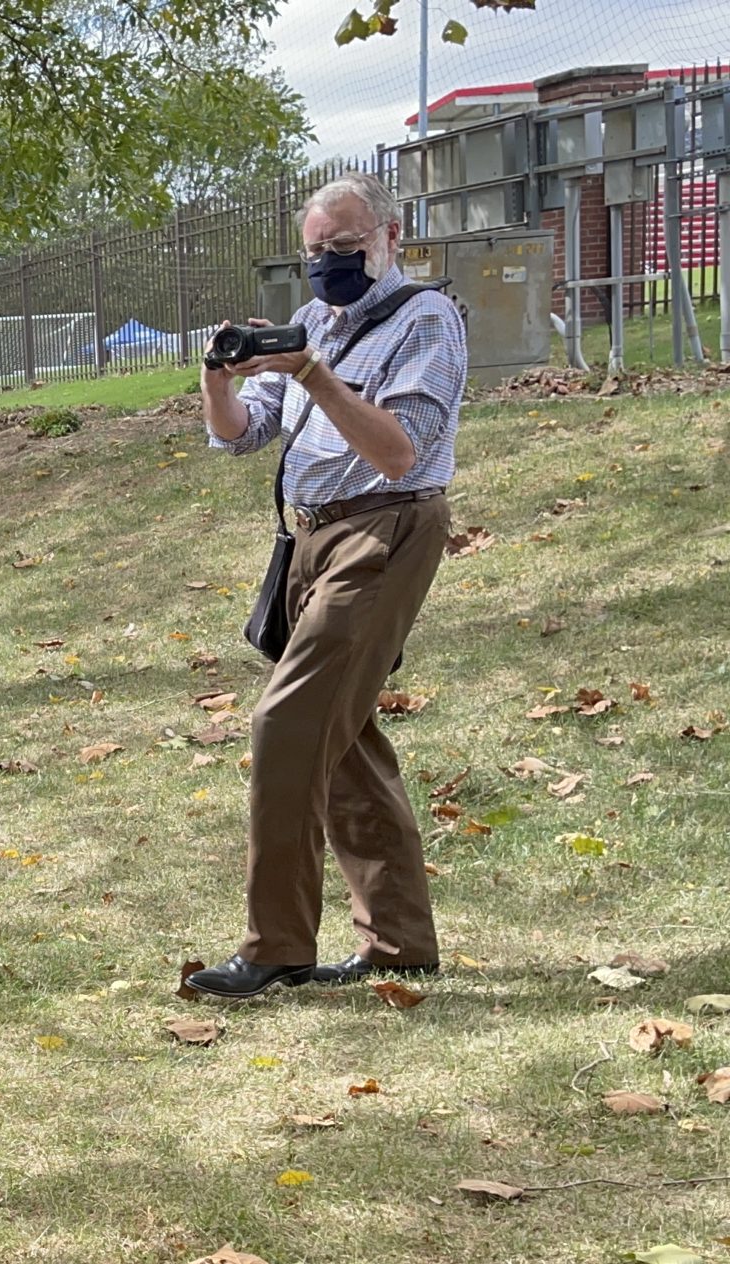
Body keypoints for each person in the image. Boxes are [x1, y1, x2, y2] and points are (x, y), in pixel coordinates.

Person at [183, 172, 466, 1001]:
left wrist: (312, 374)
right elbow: (244, 435)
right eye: (315, 252)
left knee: (289, 723)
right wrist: (218, 378)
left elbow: (399, 451)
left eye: (344, 249)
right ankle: (400, 942)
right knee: (344, 744)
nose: (329, 265)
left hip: (387, 528)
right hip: (308, 537)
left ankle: (276, 948)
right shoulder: (311, 322)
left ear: (389, 236)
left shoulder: (427, 321)